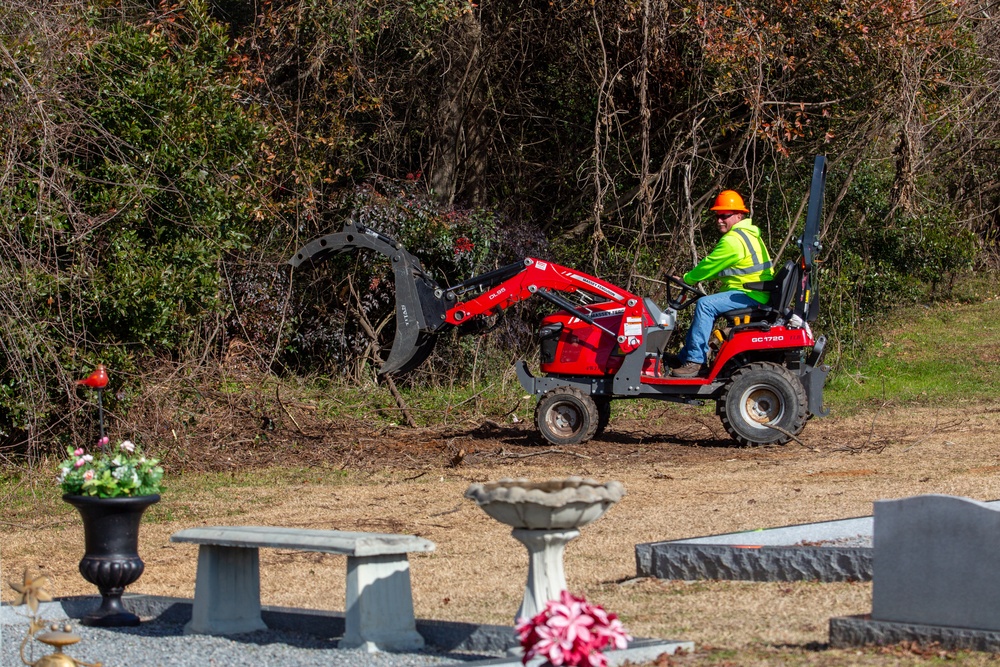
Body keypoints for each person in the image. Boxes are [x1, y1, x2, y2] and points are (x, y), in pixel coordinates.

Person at [671, 190, 773, 377]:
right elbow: (720, 269)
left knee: (705, 305)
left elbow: (709, 266)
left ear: (739, 215)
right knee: (708, 303)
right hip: (753, 293)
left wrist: (686, 280)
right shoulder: (750, 235)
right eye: (718, 216)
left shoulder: (733, 240)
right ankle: (683, 358)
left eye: (724, 216)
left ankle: (695, 362)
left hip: (750, 295)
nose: (719, 220)